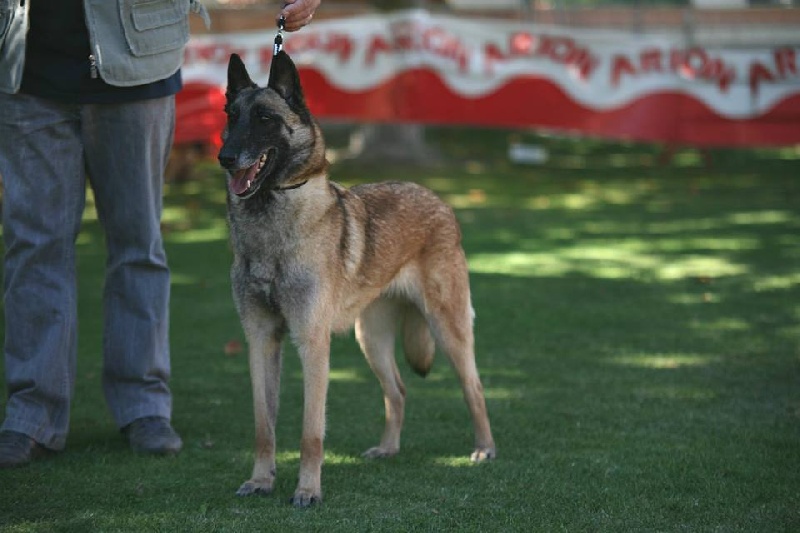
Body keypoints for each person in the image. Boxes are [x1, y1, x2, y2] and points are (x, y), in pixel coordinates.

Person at [0, 0, 320, 468]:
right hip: (24, 72)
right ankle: (31, 414)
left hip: (137, 68)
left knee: (137, 244)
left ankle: (143, 406)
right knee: (34, 248)